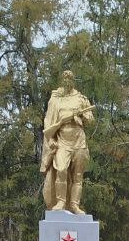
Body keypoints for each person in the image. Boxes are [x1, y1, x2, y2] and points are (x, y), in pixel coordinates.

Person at [40, 70, 95, 215]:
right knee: (61, 170)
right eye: (64, 80)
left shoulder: (81, 98)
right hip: (62, 140)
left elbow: (90, 119)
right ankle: (61, 202)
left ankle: (75, 205)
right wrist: (51, 139)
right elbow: (49, 122)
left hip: (79, 140)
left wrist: (82, 113)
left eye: (70, 79)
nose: (67, 82)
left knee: (78, 176)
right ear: (62, 81)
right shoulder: (55, 99)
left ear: (73, 81)